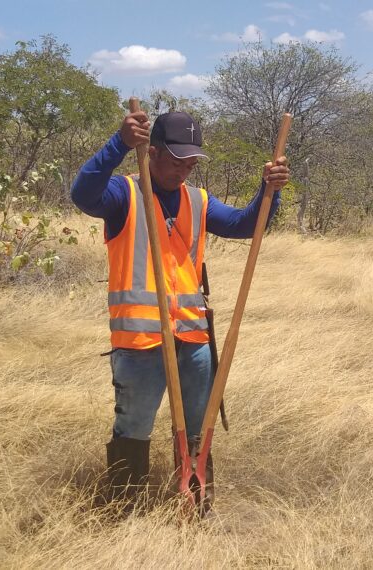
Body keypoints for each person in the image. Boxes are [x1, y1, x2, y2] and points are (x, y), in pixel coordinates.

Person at [70, 109, 289, 513]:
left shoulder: (197, 199)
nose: (183, 172)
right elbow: (82, 195)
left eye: (190, 163)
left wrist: (267, 191)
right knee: (133, 428)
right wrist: (118, 144)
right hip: (139, 342)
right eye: (175, 162)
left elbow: (245, 225)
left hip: (192, 338)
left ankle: (195, 503)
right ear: (151, 152)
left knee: (195, 430)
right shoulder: (124, 195)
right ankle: (125, 508)